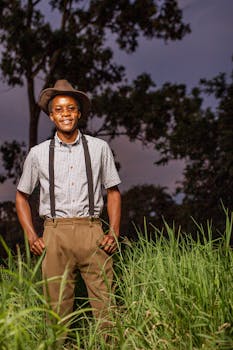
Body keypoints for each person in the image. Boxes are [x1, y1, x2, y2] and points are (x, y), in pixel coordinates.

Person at [16, 79, 121, 324]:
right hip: (55, 233)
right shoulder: (38, 153)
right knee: (56, 312)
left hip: (92, 230)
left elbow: (113, 192)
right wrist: (32, 236)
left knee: (106, 307)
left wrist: (113, 232)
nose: (66, 114)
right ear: (52, 116)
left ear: (79, 113)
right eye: (59, 109)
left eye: (71, 108)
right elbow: (21, 196)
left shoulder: (99, 148)